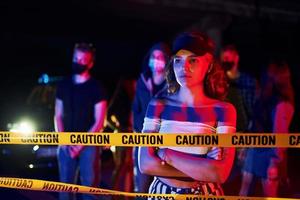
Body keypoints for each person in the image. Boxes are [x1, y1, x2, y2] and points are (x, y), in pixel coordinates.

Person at [138, 31, 237, 197]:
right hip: (162, 194)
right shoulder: (158, 105)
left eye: (193, 60)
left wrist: (166, 154)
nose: (184, 67)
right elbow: (145, 164)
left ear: (209, 64)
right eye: (178, 60)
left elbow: (221, 174)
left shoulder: (224, 110)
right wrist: (204, 167)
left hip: (204, 194)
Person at [54, 43, 107, 200]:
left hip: (89, 144)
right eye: (76, 58)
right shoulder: (63, 85)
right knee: (65, 187)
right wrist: (63, 140)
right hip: (65, 142)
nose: (78, 62)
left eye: (83, 60)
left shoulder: (97, 87)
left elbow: (99, 121)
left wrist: (80, 145)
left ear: (90, 63)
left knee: (89, 188)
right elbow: (57, 115)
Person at [239, 60, 294, 197]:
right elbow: (254, 121)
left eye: (269, 74)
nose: (264, 76)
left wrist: (274, 162)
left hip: (269, 154)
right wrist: (245, 147)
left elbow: (280, 135)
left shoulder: (282, 104)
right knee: (244, 190)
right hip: (254, 148)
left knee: (269, 193)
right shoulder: (264, 96)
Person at [132, 42, 171, 194]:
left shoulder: (172, 85)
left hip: (164, 142)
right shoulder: (142, 81)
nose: (157, 60)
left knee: (162, 184)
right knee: (142, 185)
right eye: (154, 56)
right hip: (142, 140)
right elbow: (136, 108)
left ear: (167, 60)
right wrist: (136, 130)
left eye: (160, 57)